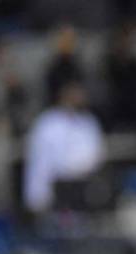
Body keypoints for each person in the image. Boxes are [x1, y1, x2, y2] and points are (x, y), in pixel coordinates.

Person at [24, 79, 104, 213]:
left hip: (84, 185)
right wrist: (37, 194)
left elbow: (95, 153)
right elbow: (40, 161)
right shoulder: (48, 123)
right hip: (56, 187)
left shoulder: (88, 121)